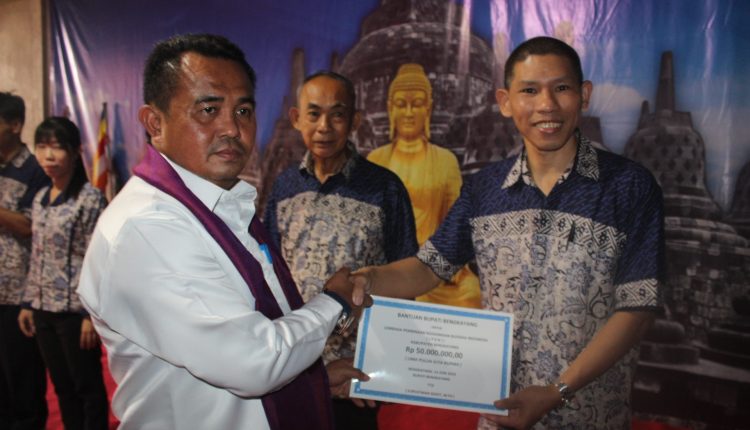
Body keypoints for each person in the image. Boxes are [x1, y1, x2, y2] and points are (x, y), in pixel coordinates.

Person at [353, 36, 664, 429]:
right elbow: (428, 268)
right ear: (505, 101)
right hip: (499, 418)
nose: (546, 105)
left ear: (584, 95)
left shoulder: (630, 187)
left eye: (562, 88)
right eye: (529, 90)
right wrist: (368, 279)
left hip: (590, 415)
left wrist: (557, 391)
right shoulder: (485, 189)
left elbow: (637, 309)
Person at [76, 34, 370, 430]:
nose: (231, 128)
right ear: (154, 123)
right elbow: (254, 360)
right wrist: (333, 302)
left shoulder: (221, 204)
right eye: (208, 109)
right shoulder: (147, 228)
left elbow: (244, 338)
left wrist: (309, 379)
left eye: (243, 111)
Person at [263, 71, 418, 430]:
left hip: (354, 376)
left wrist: (380, 370)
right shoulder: (284, 186)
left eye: (337, 114)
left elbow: (406, 284)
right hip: (293, 371)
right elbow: (270, 275)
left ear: (355, 121)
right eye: (313, 113)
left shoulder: (384, 188)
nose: (324, 126)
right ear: (296, 118)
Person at [18, 117, 109, 430]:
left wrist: (90, 314)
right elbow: (38, 255)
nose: (48, 157)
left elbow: (98, 260)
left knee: (88, 389)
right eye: (42, 147)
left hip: (74, 313)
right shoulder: (41, 198)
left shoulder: (89, 198)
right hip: (44, 310)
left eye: (57, 148)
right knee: (63, 389)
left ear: (75, 152)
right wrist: (30, 303)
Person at [368, 63, 481, 309]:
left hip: (434, 269)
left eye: (417, 104)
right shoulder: (376, 160)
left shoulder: (445, 160)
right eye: (401, 104)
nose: (409, 113)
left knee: (470, 294)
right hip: (388, 268)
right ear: (390, 109)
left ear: (428, 109)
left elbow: (456, 227)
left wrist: (448, 268)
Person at [0, 92, 49, 429]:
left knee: (23, 382)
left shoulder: (34, 171)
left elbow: (31, 227)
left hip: (19, 296)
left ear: (15, 125)